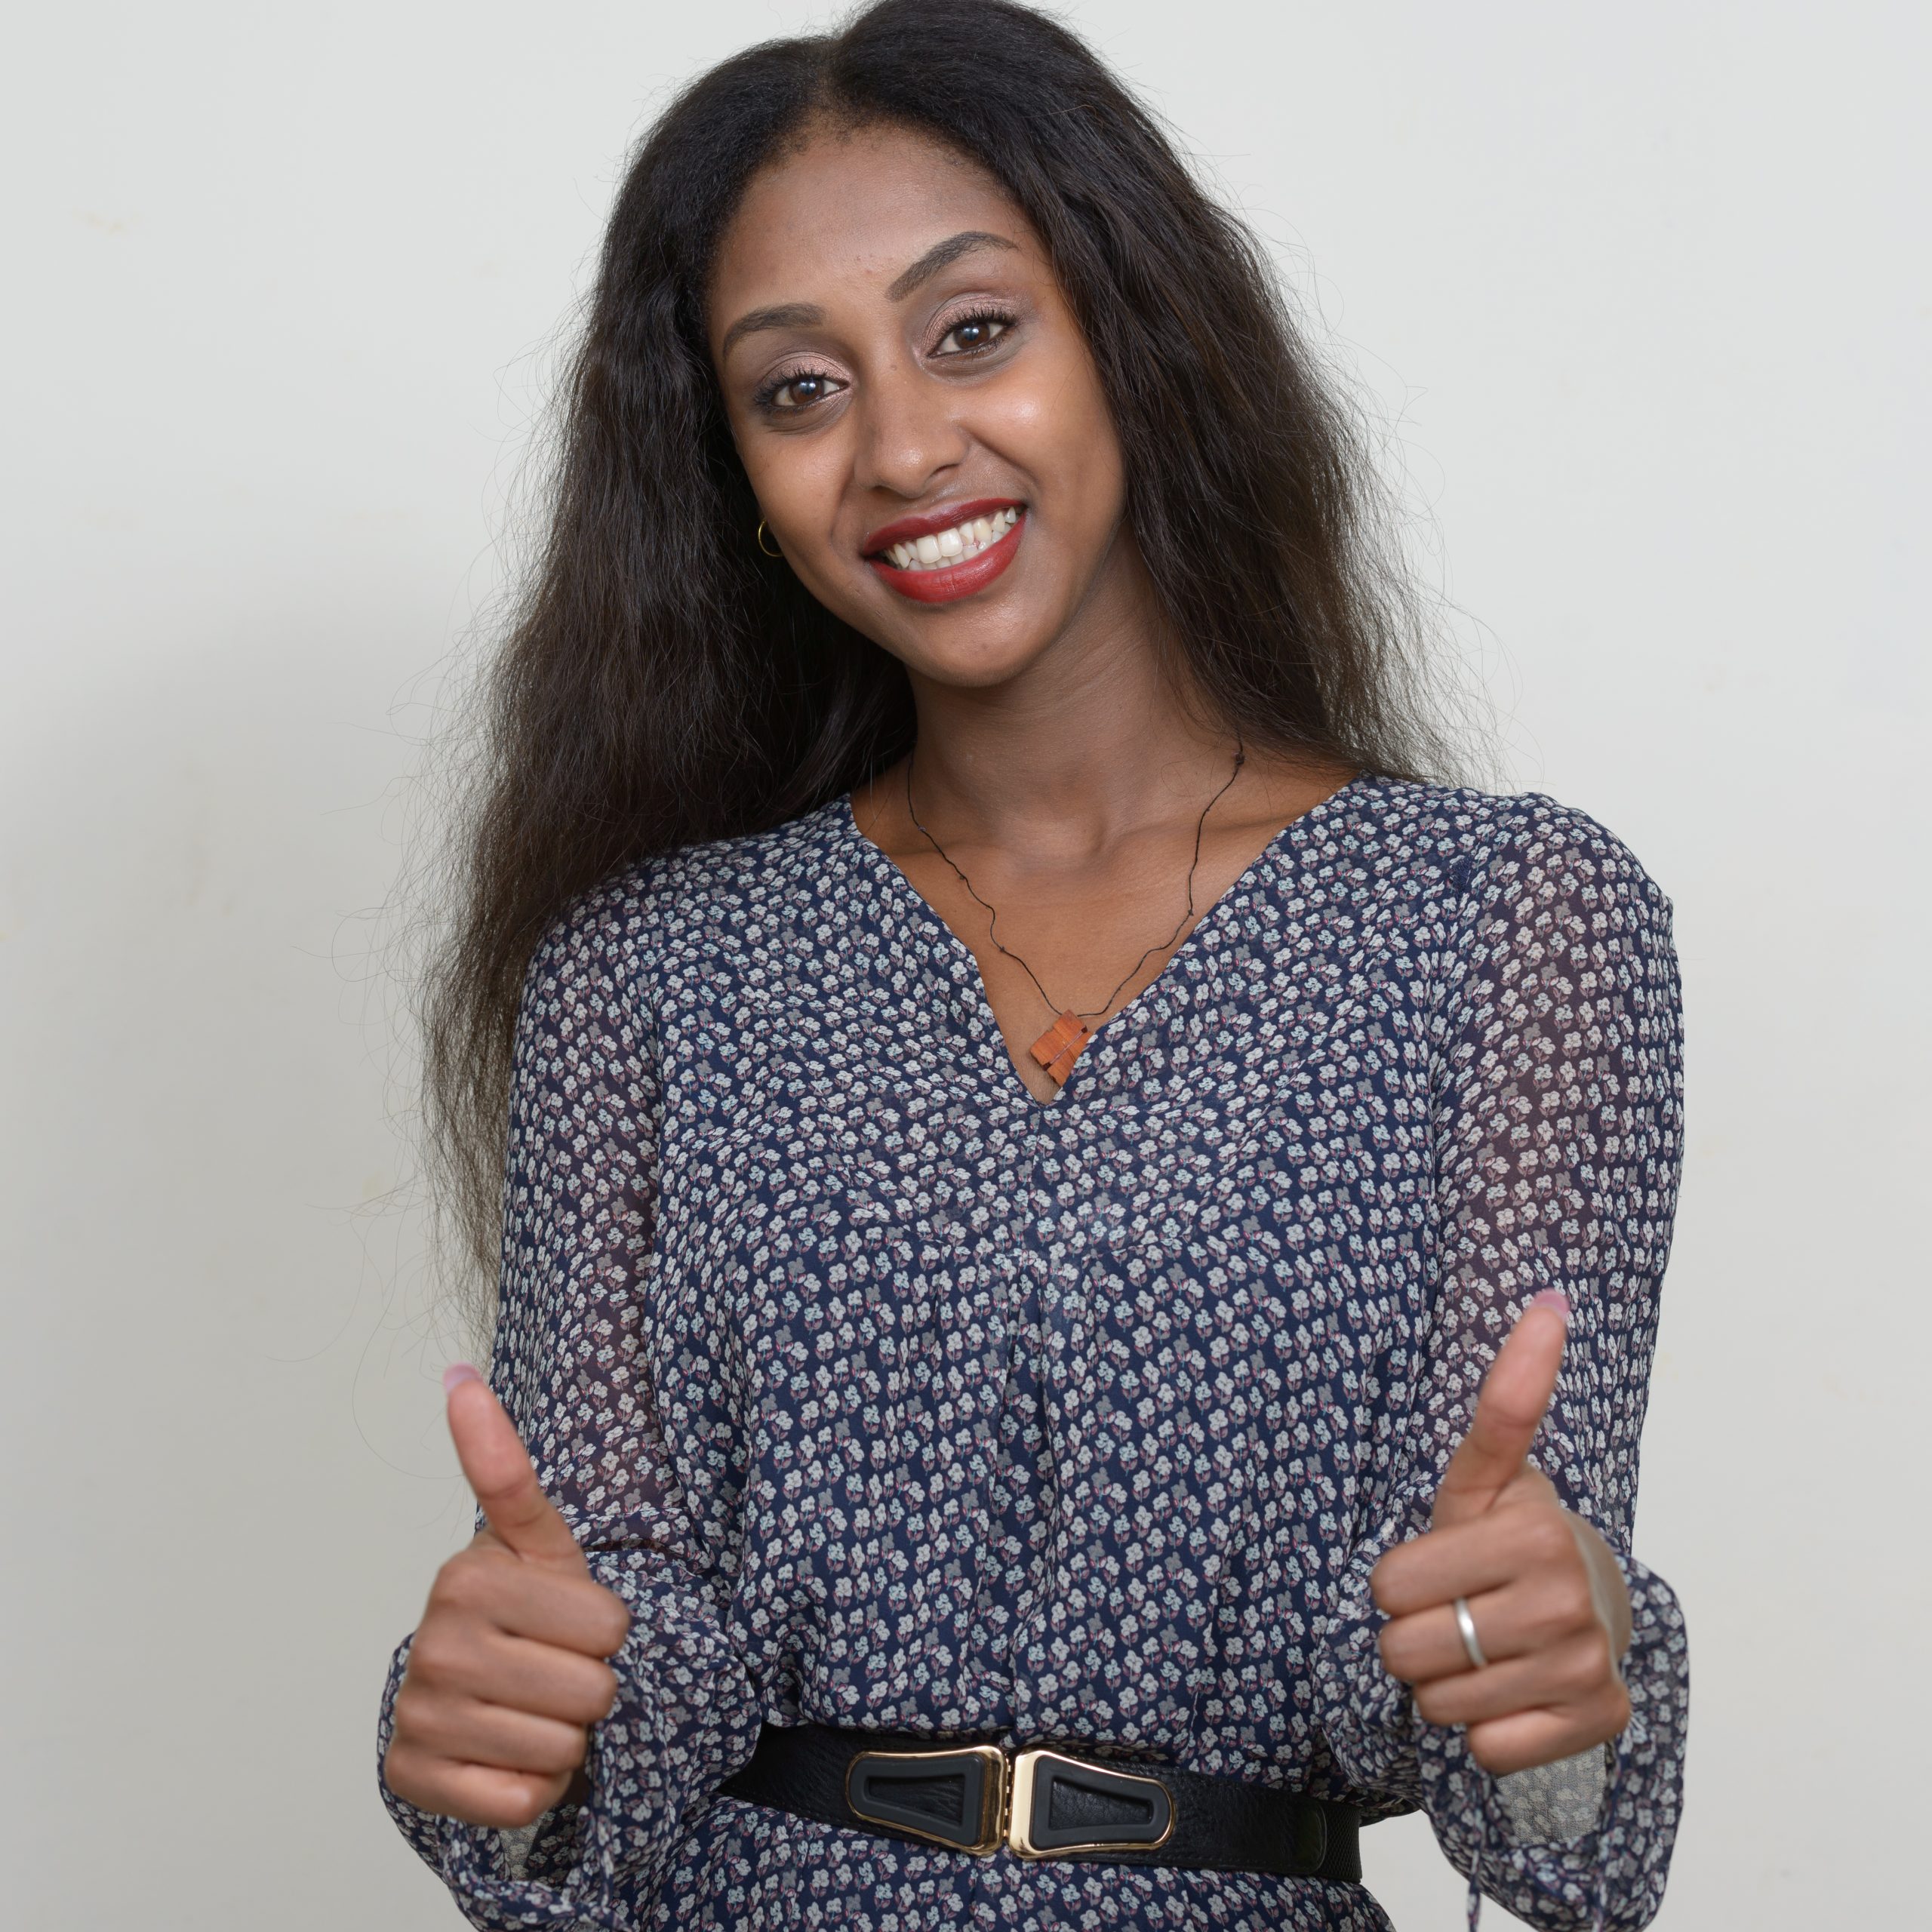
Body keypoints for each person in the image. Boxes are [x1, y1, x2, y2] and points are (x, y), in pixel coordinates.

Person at [375, 3, 1688, 1926]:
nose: (903, 444)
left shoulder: (1513, 925)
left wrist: (1552, 1681)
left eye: (970, 329)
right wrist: (518, 1718)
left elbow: (1496, 1660)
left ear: (1130, 334)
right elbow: (607, 1656)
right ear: (729, 471)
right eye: (796, 390)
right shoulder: (643, 972)